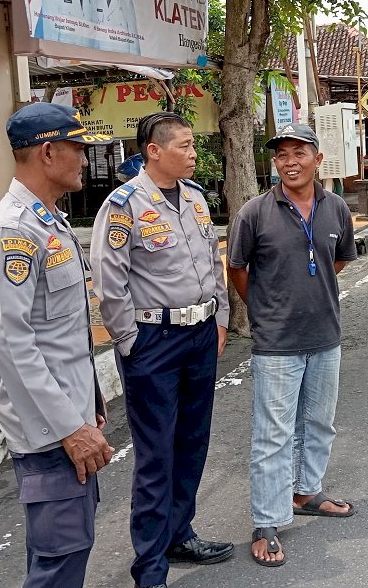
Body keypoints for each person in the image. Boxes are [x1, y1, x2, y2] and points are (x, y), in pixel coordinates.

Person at [0, 103, 114, 588]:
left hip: (67, 417)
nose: (84, 158)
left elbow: (66, 335)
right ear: (48, 151)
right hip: (49, 430)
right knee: (60, 557)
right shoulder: (12, 230)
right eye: (78, 148)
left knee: (70, 547)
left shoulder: (48, 222)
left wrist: (88, 405)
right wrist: (70, 427)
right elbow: (13, 348)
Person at [91, 112, 233, 588]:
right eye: (186, 146)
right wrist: (130, 341)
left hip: (199, 336)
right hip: (153, 342)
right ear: (155, 150)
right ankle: (150, 567)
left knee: (193, 442)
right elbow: (110, 283)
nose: (195, 154)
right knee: (156, 453)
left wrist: (221, 317)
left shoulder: (194, 198)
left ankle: (180, 533)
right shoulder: (123, 204)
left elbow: (212, 261)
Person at [226, 123, 358, 568]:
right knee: (273, 436)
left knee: (319, 423)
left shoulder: (336, 208)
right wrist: (263, 310)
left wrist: (310, 295)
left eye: (299, 152)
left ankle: (306, 491)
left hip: (325, 335)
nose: (290, 161)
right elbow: (237, 267)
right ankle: (266, 521)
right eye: (281, 154)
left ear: (318, 159)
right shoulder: (254, 213)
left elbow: (337, 260)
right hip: (276, 342)